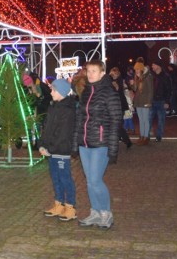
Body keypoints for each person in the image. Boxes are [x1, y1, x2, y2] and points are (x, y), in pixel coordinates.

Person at [73, 60, 122, 229]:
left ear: (102, 73)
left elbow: (116, 121)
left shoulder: (109, 93)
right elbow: (80, 119)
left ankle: (106, 214)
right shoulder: (86, 92)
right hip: (85, 143)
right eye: (88, 71)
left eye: (94, 71)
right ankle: (95, 212)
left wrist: (113, 147)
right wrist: (76, 141)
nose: (91, 74)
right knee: (89, 181)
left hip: (101, 143)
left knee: (95, 180)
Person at [38, 78, 77, 221]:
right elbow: (47, 129)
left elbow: (62, 133)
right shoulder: (53, 106)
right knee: (55, 177)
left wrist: (51, 148)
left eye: (53, 89)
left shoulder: (67, 110)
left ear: (61, 92)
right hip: (52, 151)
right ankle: (58, 204)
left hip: (61, 150)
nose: (51, 91)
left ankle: (70, 207)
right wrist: (42, 145)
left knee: (65, 178)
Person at [131, 58, 153, 145]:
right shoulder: (138, 78)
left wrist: (149, 101)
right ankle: (141, 136)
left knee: (145, 120)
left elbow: (151, 90)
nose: (136, 71)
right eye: (135, 69)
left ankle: (145, 137)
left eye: (137, 69)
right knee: (141, 120)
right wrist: (133, 84)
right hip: (138, 101)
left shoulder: (148, 77)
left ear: (141, 69)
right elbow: (136, 90)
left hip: (145, 101)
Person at [109, 67, 132, 149]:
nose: (113, 75)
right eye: (112, 74)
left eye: (115, 74)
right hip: (116, 105)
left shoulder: (117, 81)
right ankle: (121, 139)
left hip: (118, 105)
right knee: (117, 124)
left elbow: (118, 92)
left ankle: (127, 140)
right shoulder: (114, 81)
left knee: (117, 125)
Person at [149, 60, 171, 142]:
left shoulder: (165, 76)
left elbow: (169, 90)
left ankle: (159, 136)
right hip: (152, 100)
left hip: (161, 101)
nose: (152, 67)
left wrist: (167, 101)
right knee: (149, 118)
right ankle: (146, 135)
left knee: (161, 119)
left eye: (153, 65)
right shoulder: (152, 76)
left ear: (158, 66)